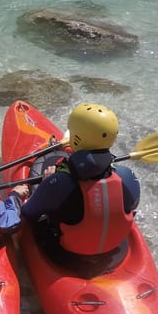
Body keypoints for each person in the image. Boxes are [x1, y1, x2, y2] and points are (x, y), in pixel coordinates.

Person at [20, 103, 140, 256]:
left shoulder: (58, 183)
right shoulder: (127, 175)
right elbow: (130, 206)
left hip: (70, 250)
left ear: (76, 138)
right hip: (113, 246)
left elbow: (28, 213)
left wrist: (46, 184)